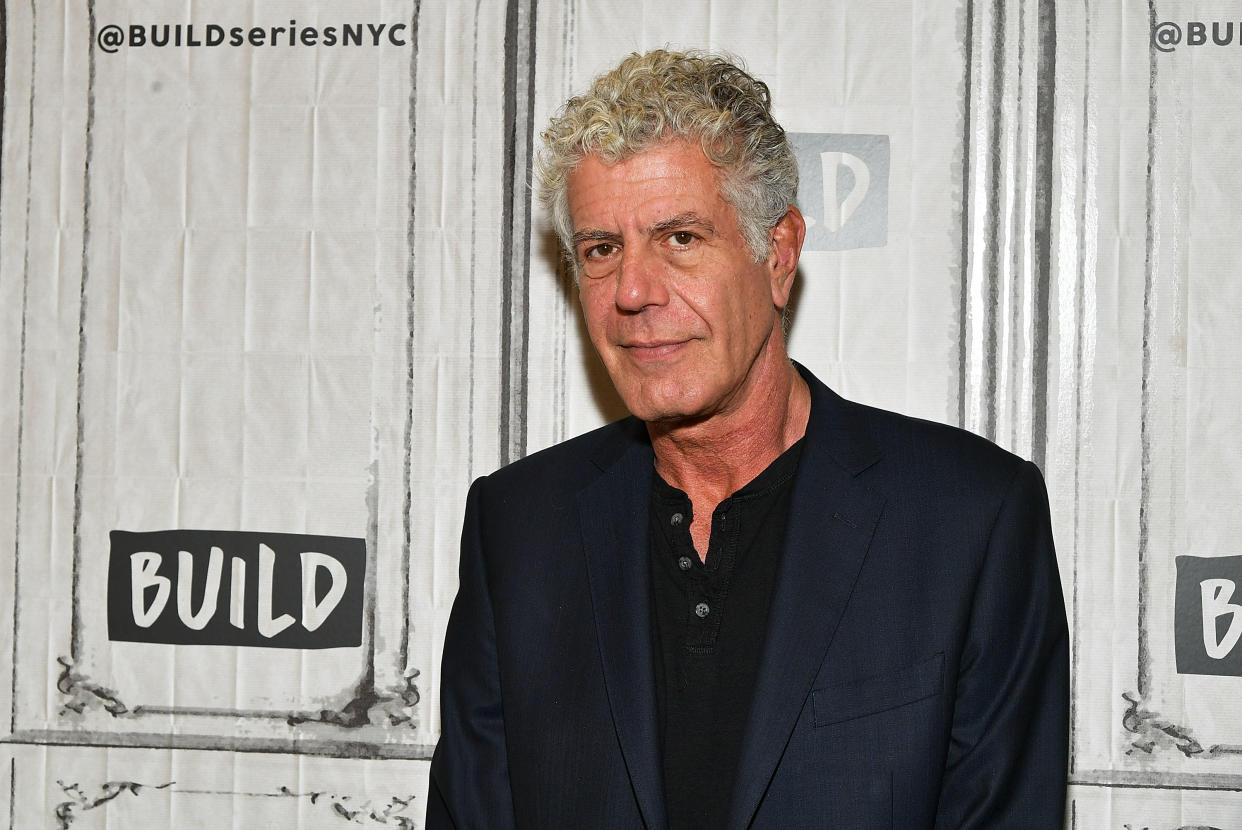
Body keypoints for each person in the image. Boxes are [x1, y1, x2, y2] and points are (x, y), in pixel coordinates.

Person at [426, 49, 1068, 829]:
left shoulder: (969, 520)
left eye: (681, 238)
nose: (632, 291)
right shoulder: (518, 526)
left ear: (779, 254)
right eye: (601, 249)